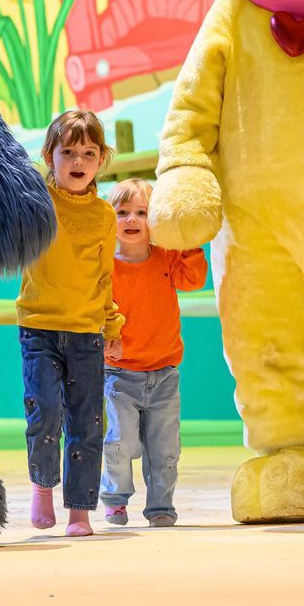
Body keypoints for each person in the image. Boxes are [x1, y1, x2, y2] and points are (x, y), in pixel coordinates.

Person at [0, 110, 123, 537]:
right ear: (49, 156)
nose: (78, 161)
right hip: (38, 327)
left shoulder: (105, 215)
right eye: (68, 152)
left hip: (86, 333)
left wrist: (111, 326)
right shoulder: (36, 200)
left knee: (87, 422)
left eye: (88, 153)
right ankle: (42, 487)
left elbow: (104, 276)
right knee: (45, 409)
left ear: (101, 159)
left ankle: (80, 512)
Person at [98, 178, 207, 527]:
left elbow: (193, 280)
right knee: (120, 440)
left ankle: (161, 506)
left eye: (142, 213)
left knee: (165, 449)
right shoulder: (103, 266)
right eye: (122, 212)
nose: (131, 220)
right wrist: (104, 336)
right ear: (110, 219)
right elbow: (94, 309)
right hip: (118, 373)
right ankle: (115, 499)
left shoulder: (166, 257)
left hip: (164, 374)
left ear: (156, 219)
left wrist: (187, 242)